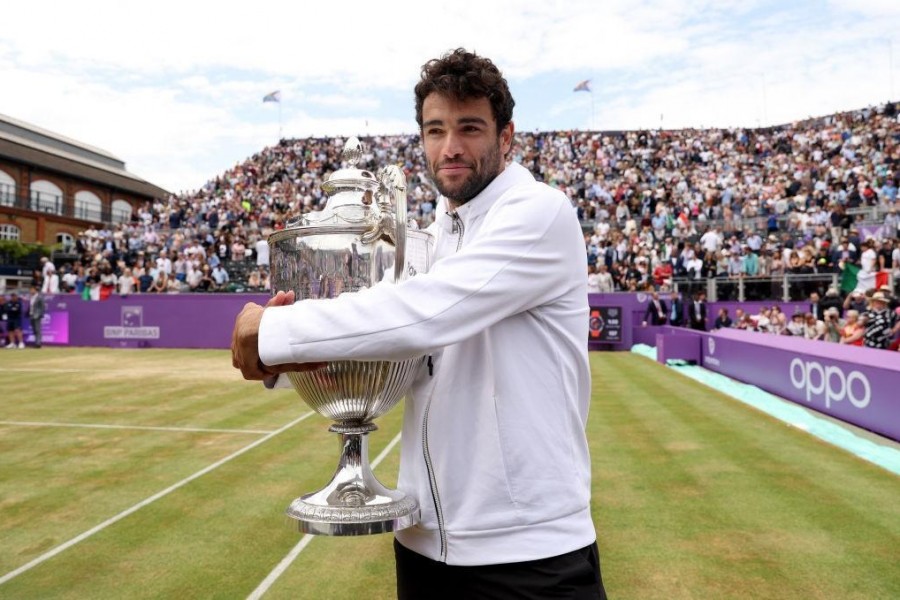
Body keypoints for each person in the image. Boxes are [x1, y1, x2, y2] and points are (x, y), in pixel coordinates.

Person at [232, 48, 606, 599]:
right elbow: (393, 350)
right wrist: (285, 362)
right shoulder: (434, 233)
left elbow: (425, 314)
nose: (450, 147)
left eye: (469, 128)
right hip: (421, 543)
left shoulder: (539, 212)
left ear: (506, 137)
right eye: (435, 130)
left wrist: (271, 334)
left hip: (530, 555)